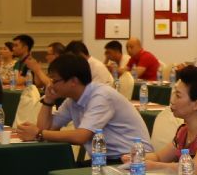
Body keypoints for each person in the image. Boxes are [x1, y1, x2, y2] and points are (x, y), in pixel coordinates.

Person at [16, 52, 151, 151]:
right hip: (105, 160)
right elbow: (46, 128)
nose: (51, 85)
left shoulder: (101, 96)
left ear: (73, 81)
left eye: (55, 80)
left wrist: (39, 134)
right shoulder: (72, 100)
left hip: (134, 160)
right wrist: (48, 100)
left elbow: (81, 136)